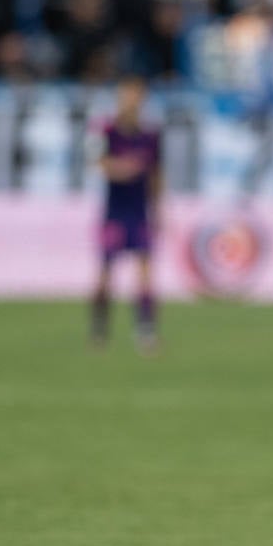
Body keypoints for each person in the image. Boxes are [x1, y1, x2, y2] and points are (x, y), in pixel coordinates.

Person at [90, 75, 161, 354]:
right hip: (115, 212)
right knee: (106, 274)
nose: (132, 100)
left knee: (145, 273)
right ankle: (99, 331)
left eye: (136, 95)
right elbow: (99, 163)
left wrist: (158, 208)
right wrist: (122, 169)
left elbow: (156, 174)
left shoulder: (150, 135)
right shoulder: (107, 131)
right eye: (127, 94)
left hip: (140, 211)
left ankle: (145, 332)